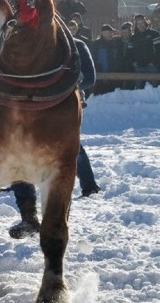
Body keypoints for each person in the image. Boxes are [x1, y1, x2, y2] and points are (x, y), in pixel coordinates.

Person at [8, 27, 100, 239]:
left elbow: (90, 77)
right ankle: (28, 215)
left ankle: (88, 186)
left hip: (63, 107)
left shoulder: (77, 45)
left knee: (71, 151)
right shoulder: (36, 49)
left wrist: (71, 86)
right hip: (31, 109)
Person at [89, 24, 120, 95]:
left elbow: (118, 59)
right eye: (108, 32)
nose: (110, 34)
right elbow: (93, 59)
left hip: (113, 76)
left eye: (111, 32)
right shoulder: (96, 44)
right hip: (99, 77)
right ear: (102, 33)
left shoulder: (116, 44)